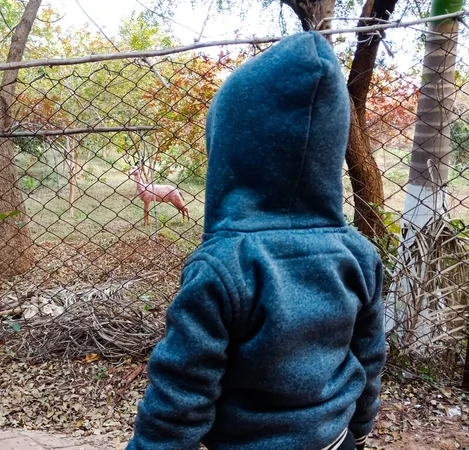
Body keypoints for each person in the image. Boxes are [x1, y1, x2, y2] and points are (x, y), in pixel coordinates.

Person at [126, 31, 386, 450]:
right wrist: (358, 428)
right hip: (335, 441)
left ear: (230, 153)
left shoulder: (223, 266)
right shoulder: (359, 254)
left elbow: (181, 392)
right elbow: (370, 355)